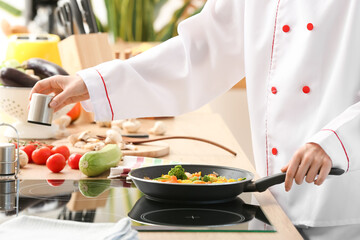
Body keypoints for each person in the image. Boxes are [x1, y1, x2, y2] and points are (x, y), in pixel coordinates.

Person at [30, 1, 360, 239]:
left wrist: (336, 140)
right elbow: (199, 52)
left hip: (344, 198)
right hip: (276, 193)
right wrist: (95, 83)